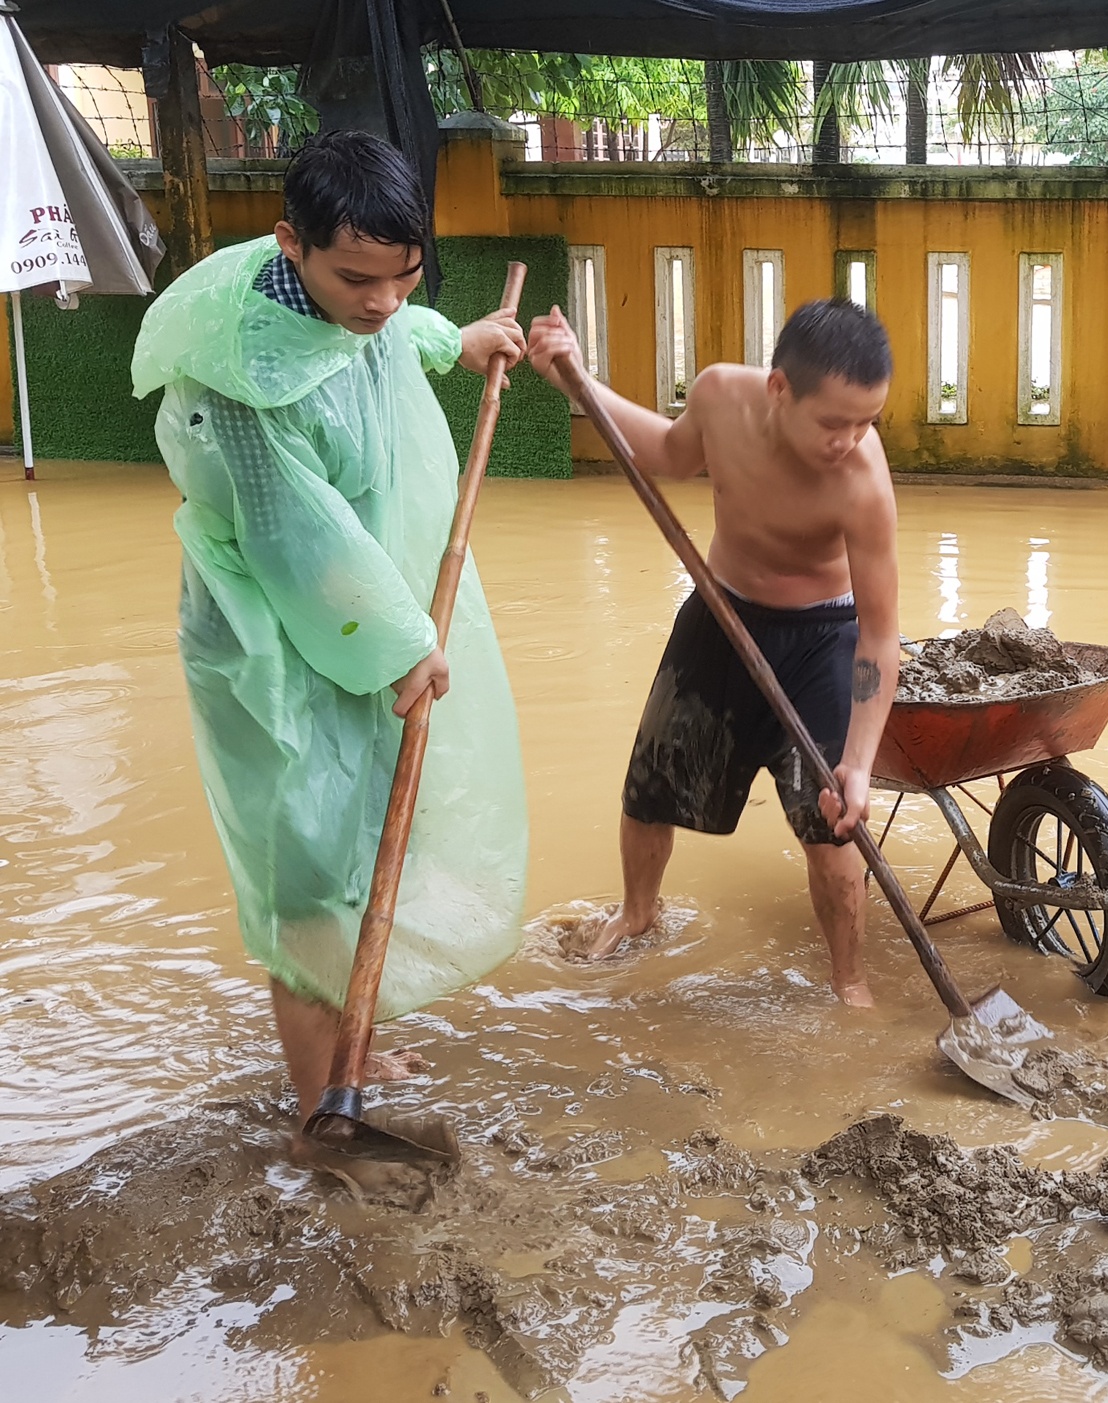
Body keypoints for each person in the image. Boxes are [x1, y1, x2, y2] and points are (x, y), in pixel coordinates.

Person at [130, 131, 531, 1130]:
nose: (383, 300)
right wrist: (404, 644)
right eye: (359, 278)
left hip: (357, 617)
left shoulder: (360, 306)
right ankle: (321, 1109)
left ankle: (353, 1045)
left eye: (405, 275)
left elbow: (384, 342)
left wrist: (456, 339)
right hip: (274, 636)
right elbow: (297, 542)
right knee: (310, 866)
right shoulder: (243, 375)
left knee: (363, 829)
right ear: (291, 243)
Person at [525, 298, 900, 1005]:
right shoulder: (721, 396)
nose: (850, 440)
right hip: (721, 616)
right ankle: (638, 912)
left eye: (867, 422)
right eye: (834, 422)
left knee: (832, 828)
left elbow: (880, 635)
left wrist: (858, 762)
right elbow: (669, 454)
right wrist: (577, 378)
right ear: (780, 388)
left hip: (821, 638)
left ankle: (849, 980)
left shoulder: (862, 484)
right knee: (649, 790)